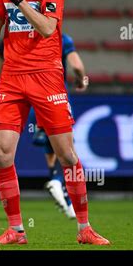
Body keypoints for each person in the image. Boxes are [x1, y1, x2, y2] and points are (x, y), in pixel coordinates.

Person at [0, 0, 109, 245]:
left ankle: (84, 228)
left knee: (66, 155)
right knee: (2, 154)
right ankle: (16, 230)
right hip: (11, 75)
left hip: (46, 75)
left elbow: (49, 29)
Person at [30, 33, 87, 219]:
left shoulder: (24, 36)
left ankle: (66, 200)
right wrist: (81, 79)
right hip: (55, 97)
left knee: (51, 149)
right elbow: (77, 65)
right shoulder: (62, 39)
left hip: (30, 97)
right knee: (68, 152)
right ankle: (56, 180)